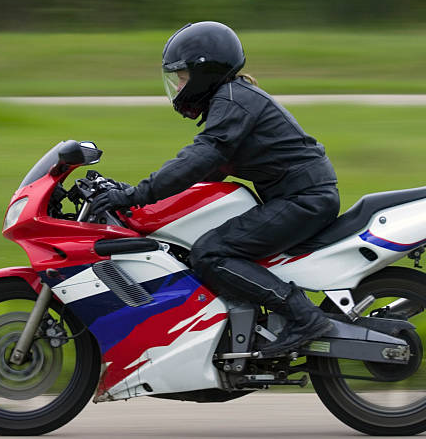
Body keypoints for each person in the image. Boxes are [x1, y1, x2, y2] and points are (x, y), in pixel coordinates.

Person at [91, 21, 340, 354]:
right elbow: (201, 173)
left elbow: (199, 158)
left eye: (182, 78)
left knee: (210, 252)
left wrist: (135, 195)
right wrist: (136, 199)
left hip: (304, 199)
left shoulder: (234, 101)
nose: (179, 88)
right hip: (300, 196)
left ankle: (305, 317)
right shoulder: (232, 100)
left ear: (204, 72)